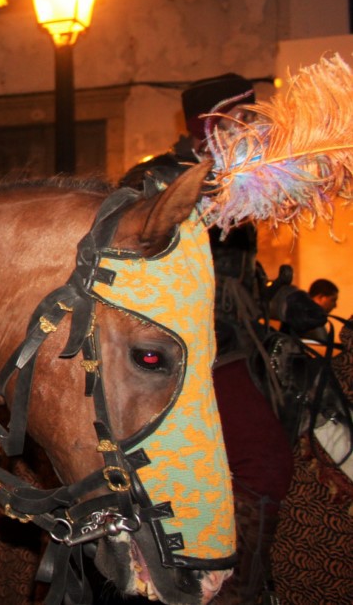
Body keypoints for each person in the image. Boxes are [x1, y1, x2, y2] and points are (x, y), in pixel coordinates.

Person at [121, 74, 293, 605]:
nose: (255, 125)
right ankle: (231, 593)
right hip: (183, 350)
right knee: (263, 459)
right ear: (212, 123)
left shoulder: (243, 173)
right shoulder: (156, 177)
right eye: (243, 116)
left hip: (239, 341)